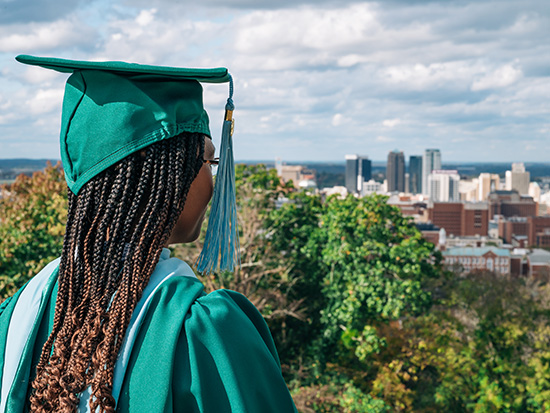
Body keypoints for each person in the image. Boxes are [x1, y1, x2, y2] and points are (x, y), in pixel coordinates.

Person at [0, 55, 297, 413]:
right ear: (162, 178)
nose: (215, 186)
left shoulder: (22, 312)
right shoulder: (203, 332)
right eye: (208, 162)